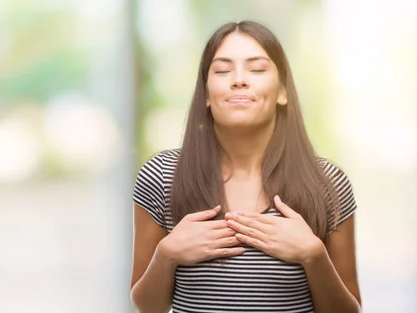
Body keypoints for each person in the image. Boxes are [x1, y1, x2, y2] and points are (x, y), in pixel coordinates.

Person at [130, 21, 361, 313]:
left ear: (282, 91)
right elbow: (147, 306)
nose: (239, 80)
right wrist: (167, 254)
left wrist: (313, 255)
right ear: (205, 95)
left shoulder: (328, 183)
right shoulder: (162, 176)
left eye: (257, 69)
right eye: (223, 70)